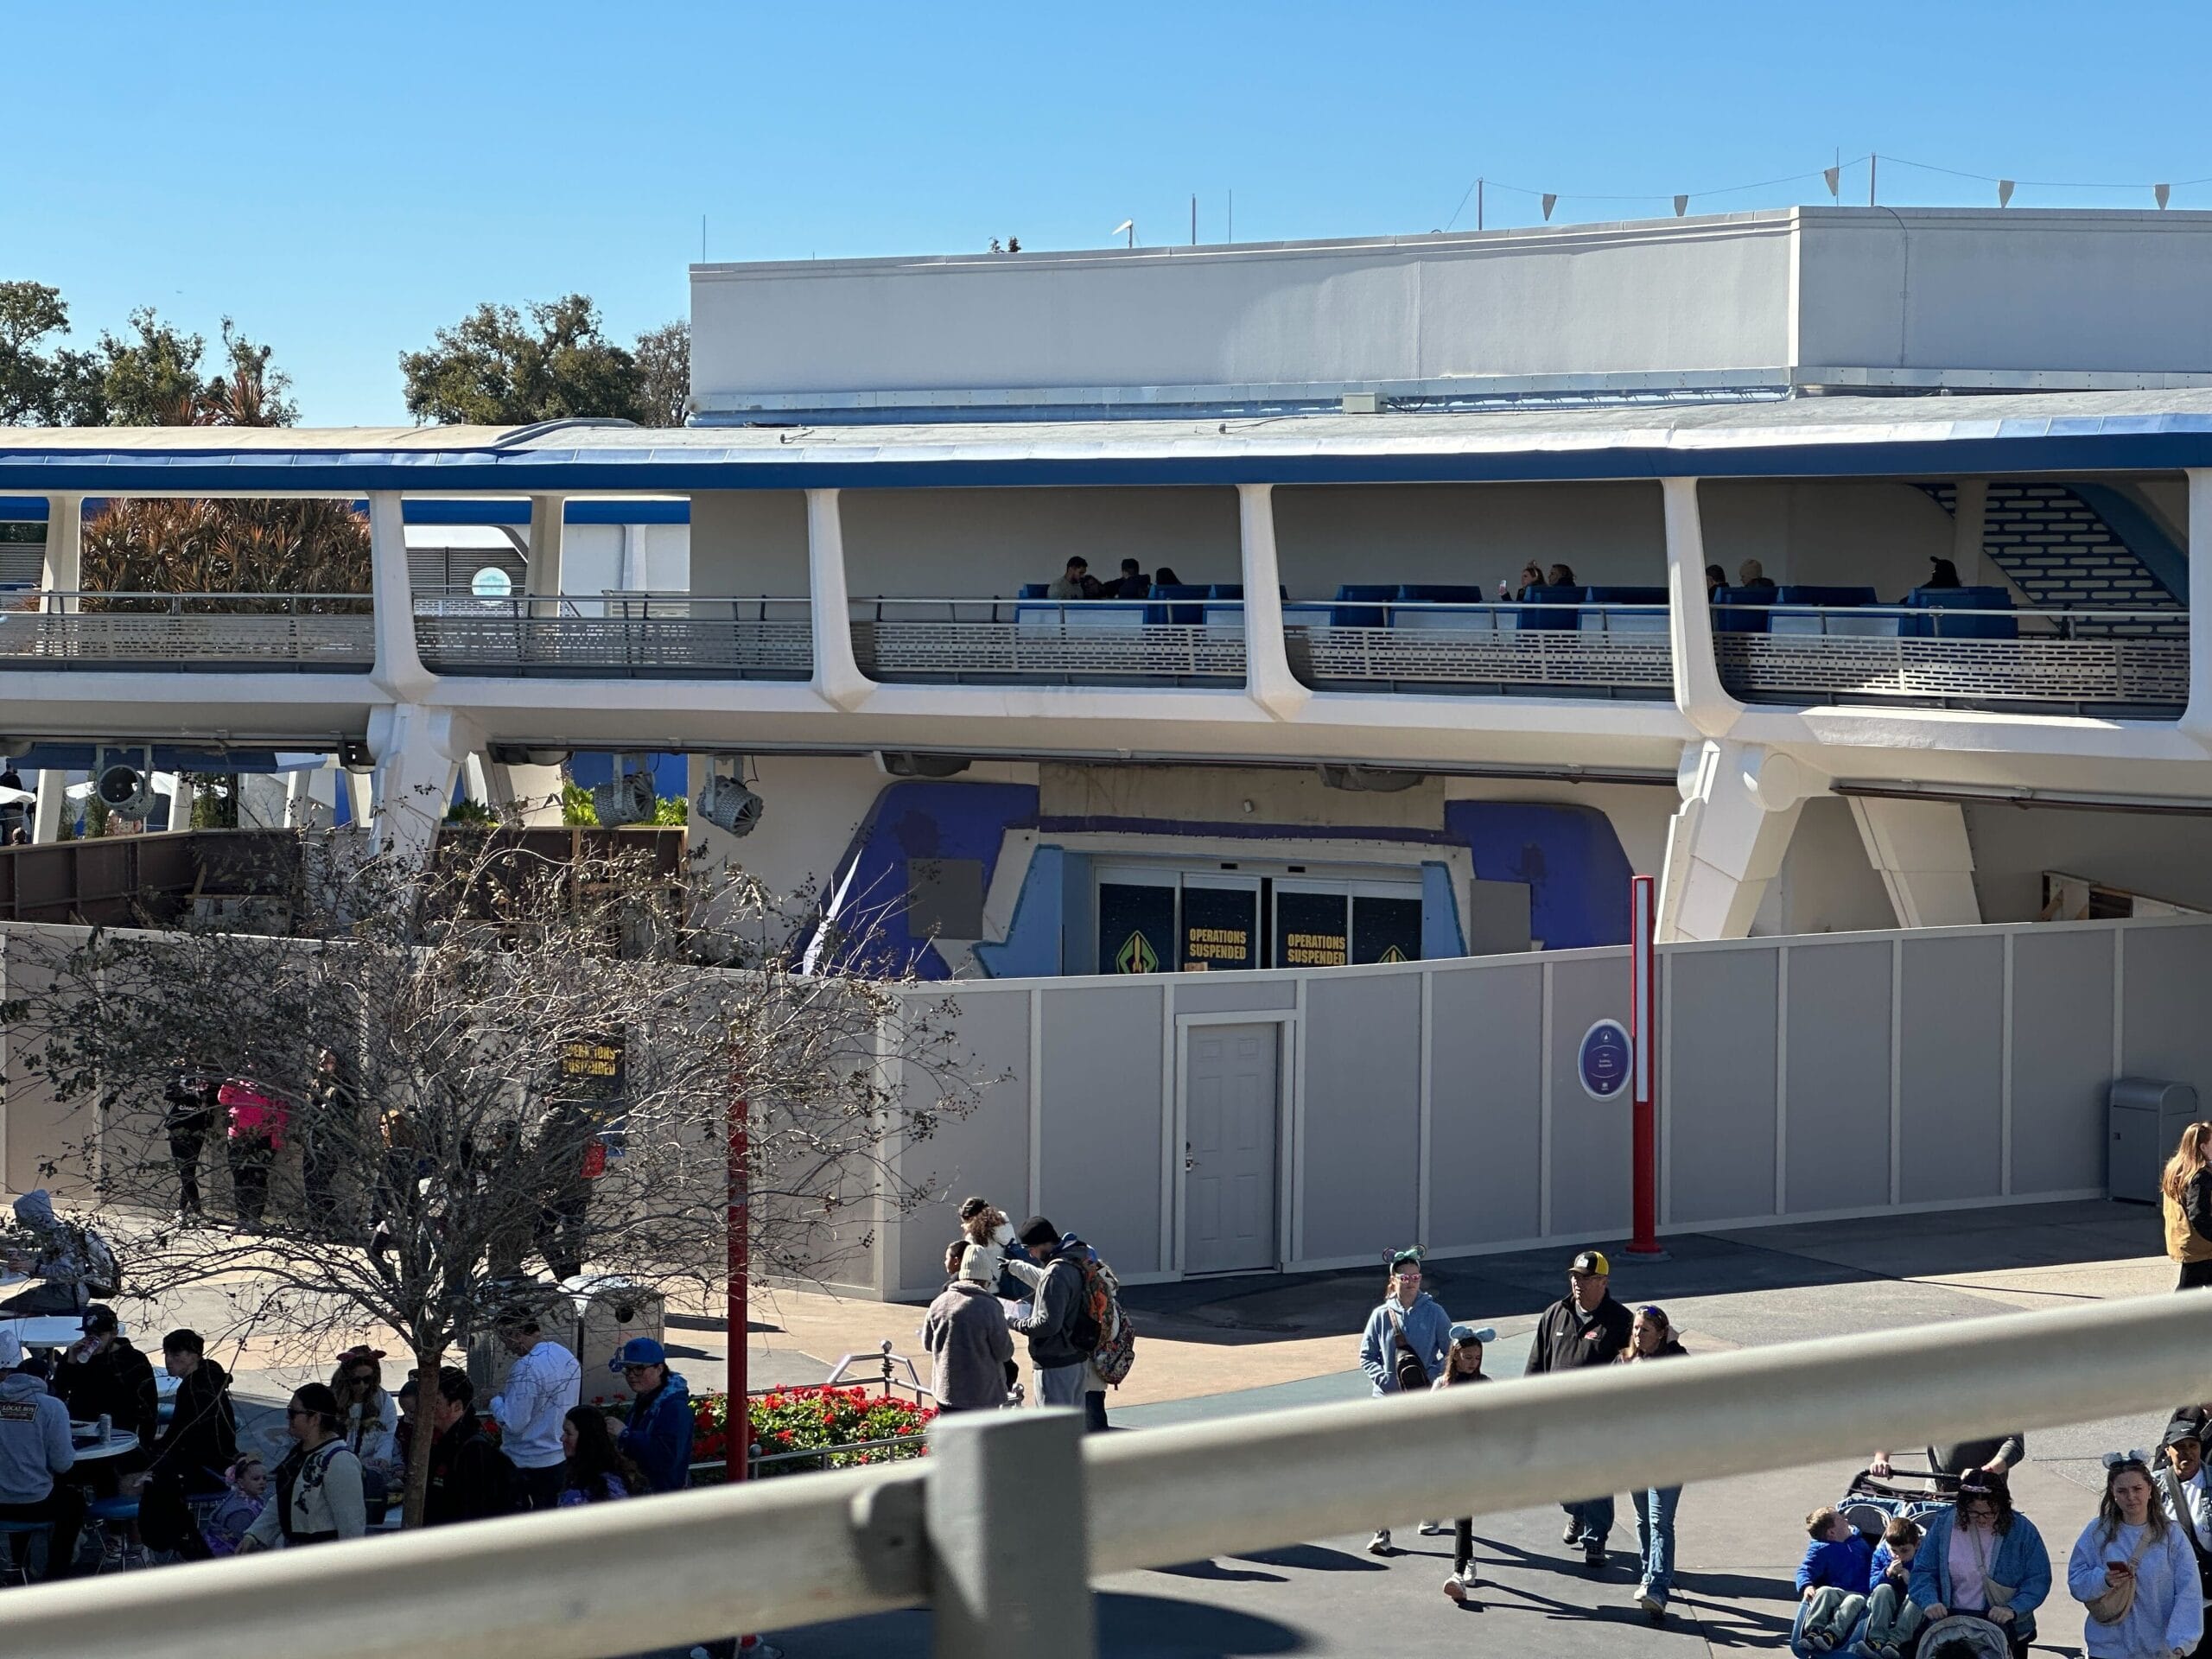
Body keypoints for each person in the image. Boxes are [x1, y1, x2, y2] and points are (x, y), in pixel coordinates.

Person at [1524, 1249, 1635, 1566]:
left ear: (1603, 1281)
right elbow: (1537, 1362)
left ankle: (1596, 1537)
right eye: (1574, 1276)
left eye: (1585, 1278)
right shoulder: (1555, 1313)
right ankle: (1577, 1512)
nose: (1577, 1283)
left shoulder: (1620, 1320)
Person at [1357, 1249, 1449, 1555]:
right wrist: (1385, 1380)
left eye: (1415, 1277)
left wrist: (1432, 1377)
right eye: (1404, 1277)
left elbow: (1450, 1351)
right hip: (1386, 1403)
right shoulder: (1381, 1315)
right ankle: (1382, 1530)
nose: (1410, 1282)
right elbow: (1366, 1355)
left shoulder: (1434, 1312)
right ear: (1393, 1280)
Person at [2069, 1452, 2202, 1659]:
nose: (2131, 1497)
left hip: (2156, 1649)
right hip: (2107, 1648)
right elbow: (2076, 1580)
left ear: (2150, 1489)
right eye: (2122, 1491)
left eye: (2137, 1489)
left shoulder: (2171, 1534)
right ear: (2113, 1493)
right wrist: (2103, 1580)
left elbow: (2189, 1589)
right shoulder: (2098, 1531)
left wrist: (2182, 1640)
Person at [1910, 1468, 2051, 1658]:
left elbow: (2038, 1578)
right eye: (1974, 1513)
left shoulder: (2022, 1530)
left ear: (2003, 1506)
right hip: (1951, 1628)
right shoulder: (1945, 1524)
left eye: (1990, 1513)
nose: (1983, 1519)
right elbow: (1923, 1571)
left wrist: (2013, 1609)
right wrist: (1930, 1601)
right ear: (1962, 1507)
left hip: (2005, 1634)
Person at [1619, 1304, 1689, 1621]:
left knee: (1661, 1521)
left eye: (1645, 1330)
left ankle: (1659, 1588)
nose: (1638, 1334)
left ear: (1661, 1334)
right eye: (1635, 1328)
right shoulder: (1625, 1360)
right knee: (1643, 1519)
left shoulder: (1675, 1361)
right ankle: (1648, 1575)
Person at [238, 1383, 367, 1550]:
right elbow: (284, 1500)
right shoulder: (298, 1454)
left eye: (293, 1413)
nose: (287, 1418)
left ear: (315, 1419)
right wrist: (254, 1535)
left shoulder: (339, 1460)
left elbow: (352, 1524)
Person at [0, 1356, 83, 1580]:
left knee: (18, 1485)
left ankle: (19, 1566)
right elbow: (62, 1463)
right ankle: (56, 1574)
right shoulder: (51, 1407)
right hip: (36, 1502)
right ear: (46, 1379)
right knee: (75, 1503)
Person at [489, 1314, 582, 1512]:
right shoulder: (565, 1355)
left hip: (526, 1462)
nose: (506, 1347)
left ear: (515, 1333)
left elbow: (514, 1423)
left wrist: (495, 1401)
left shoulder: (525, 1367)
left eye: (505, 1340)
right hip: (559, 1457)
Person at [1433, 1322, 1495, 1605]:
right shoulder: (1442, 1384)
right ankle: (1468, 1561)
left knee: (1463, 1517)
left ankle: (1457, 1574)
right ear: (1455, 1355)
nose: (1473, 1363)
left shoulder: (1485, 1385)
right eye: (1468, 1357)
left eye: (1478, 1358)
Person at [1008, 1215, 1092, 1415]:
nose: (1030, 1255)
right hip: (1076, 1356)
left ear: (1044, 1244)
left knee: (1053, 1432)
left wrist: (1014, 1321)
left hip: (1056, 1361)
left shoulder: (1055, 1272)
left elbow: (1048, 1325)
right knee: (1072, 1430)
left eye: (1031, 1249)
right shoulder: (1076, 1261)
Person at [54, 1304, 160, 1460]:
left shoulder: (133, 1360)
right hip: (82, 1431)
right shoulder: (77, 1356)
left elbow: (149, 1404)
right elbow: (60, 1391)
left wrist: (145, 1443)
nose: (92, 1339)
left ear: (114, 1334)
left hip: (119, 1432)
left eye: (99, 1335)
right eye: (88, 1333)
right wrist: (70, 1361)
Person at [924, 1244, 1016, 1412]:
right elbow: (1004, 1352)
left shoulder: (939, 1303)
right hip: (982, 1396)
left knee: (952, 1438)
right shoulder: (990, 1307)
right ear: (986, 1279)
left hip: (947, 1393)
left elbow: (928, 1343)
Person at [424, 1366, 516, 1525]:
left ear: (456, 1406)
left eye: (435, 1402)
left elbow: (476, 1513)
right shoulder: (444, 1442)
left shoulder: (474, 1451)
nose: (426, 1408)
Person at [0, 1189, 117, 1314]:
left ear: (34, 1216)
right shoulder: (51, 1234)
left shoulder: (61, 1236)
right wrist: (24, 1264)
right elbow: (44, 1266)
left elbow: (67, 1273)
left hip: (68, 1295)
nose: (23, 1225)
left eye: (23, 1219)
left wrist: (35, 1267)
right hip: (61, 1291)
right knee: (18, 1303)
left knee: (8, 1307)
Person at [149, 1328, 236, 1495]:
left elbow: (181, 1435)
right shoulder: (210, 1377)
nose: (168, 1361)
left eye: (176, 1355)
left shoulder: (193, 1388)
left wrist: (154, 1443)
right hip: (221, 1458)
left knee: (138, 1465)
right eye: (166, 1354)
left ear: (194, 1356)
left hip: (205, 1466)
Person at [2153, 1418, 2212, 1647]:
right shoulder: (2152, 1488)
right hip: (2171, 1595)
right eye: (2180, 1447)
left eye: (2193, 1446)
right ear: (2168, 1451)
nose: (2187, 1452)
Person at [608, 1337, 693, 1494]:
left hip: (664, 1498)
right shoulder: (647, 1397)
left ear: (659, 1369)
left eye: (639, 1369)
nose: (631, 1375)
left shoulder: (674, 1407)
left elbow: (666, 1457)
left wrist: (624, 1435)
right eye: (628, 1368)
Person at [1795, 1503, 1875, 1654]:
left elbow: (1875, 1563)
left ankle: (1831, 1635)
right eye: (1841, 1519)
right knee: (1824, 1591)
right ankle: (1813, 1631)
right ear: (1832, 1532)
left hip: (1859, 1593)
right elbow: (1805, 1569)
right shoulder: (1821, 1549)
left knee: (1853, 1601)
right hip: (1837, 1590)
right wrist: (1806, 1585)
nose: (1846, 1519)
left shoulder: (1860, 1543)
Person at [220, 1072, 287, 1230]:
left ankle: (255, 1219)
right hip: (238, 1136)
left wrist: (276, 1138)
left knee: (258, 1177)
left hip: (262, 1137)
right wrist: (230, 1084)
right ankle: (242, 1219)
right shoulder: (238, 1083)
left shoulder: (272, 1086)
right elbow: (223, 1099)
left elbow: (282, 1113)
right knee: (240, 1178)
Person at [331, 1346, 402, 1484]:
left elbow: (387, 1434)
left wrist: (382, 1459)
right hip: (338, 1466)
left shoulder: (383, 1400)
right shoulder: (333, 1400)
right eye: (356, 1380)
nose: (362, 1385)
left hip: (370, 1466)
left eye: (367, 1379)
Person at [298, 1047, 350, 1232]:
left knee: (321, 1183)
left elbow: (343, 1115)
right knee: (310, 1183)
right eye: (321, 1060)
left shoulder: (342, 1088)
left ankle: (329, 1223)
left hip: (329, 1142)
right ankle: (317, 1224)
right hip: (312, 1140)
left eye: (329, 1061)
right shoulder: (314, 1085)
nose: (324, 1064)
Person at [1861, 1515, 1928, 1658]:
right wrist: (1888, 1573)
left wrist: (1911, 1581)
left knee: (1917, 1596)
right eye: (1894, 1551)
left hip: (1912, 1609)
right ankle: (1877, 1640)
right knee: (1882, 1589)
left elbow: (1929, 1587)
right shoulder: (1881, 1555)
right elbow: (1872, 1586)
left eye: (1904, 1551)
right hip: (1889, 1602)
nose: (1898, 1557)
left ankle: (1896, 1642)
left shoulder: (1924, 1558)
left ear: (1916, 1545)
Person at [162, 1061, 219, 1222]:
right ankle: (193, 1210)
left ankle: (184, 1210)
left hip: (198, 1125)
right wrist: (192, 1096)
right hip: (178, 1124)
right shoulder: (178, 1069)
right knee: (184, 1169)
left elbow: (215, 1099)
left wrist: (194, 1096)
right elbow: (169, 1092)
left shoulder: (210, 1071)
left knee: (189, 1168)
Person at [558, 1404, 645, 1505]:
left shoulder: (609, 1483)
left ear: (586, 1438)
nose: (562, 1438)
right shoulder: (576, 1469)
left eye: (568, 1433)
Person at [1871, 1432, 2026, 1485]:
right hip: (1937, 1493)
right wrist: (1881, 1459)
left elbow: (2014, 1444)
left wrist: (1986, 1471)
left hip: (1983, 1495)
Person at [2164, 1123, 2212, 1292]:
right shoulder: (2199, 1176)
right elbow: (2198, 1215)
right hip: (2202, 1246)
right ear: (2203, 1147)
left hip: (2188, 1241)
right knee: (2188, 1292)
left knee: (2188, 1291)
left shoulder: (2177, 1169)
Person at [200, 1453, 268, 1557]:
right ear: (241, 1483)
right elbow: (245, 1544)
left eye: (264, 1478)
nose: (262, 1482)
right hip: (228, 1554)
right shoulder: (242, 1512)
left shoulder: (242, 1496)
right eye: (256, 1479)